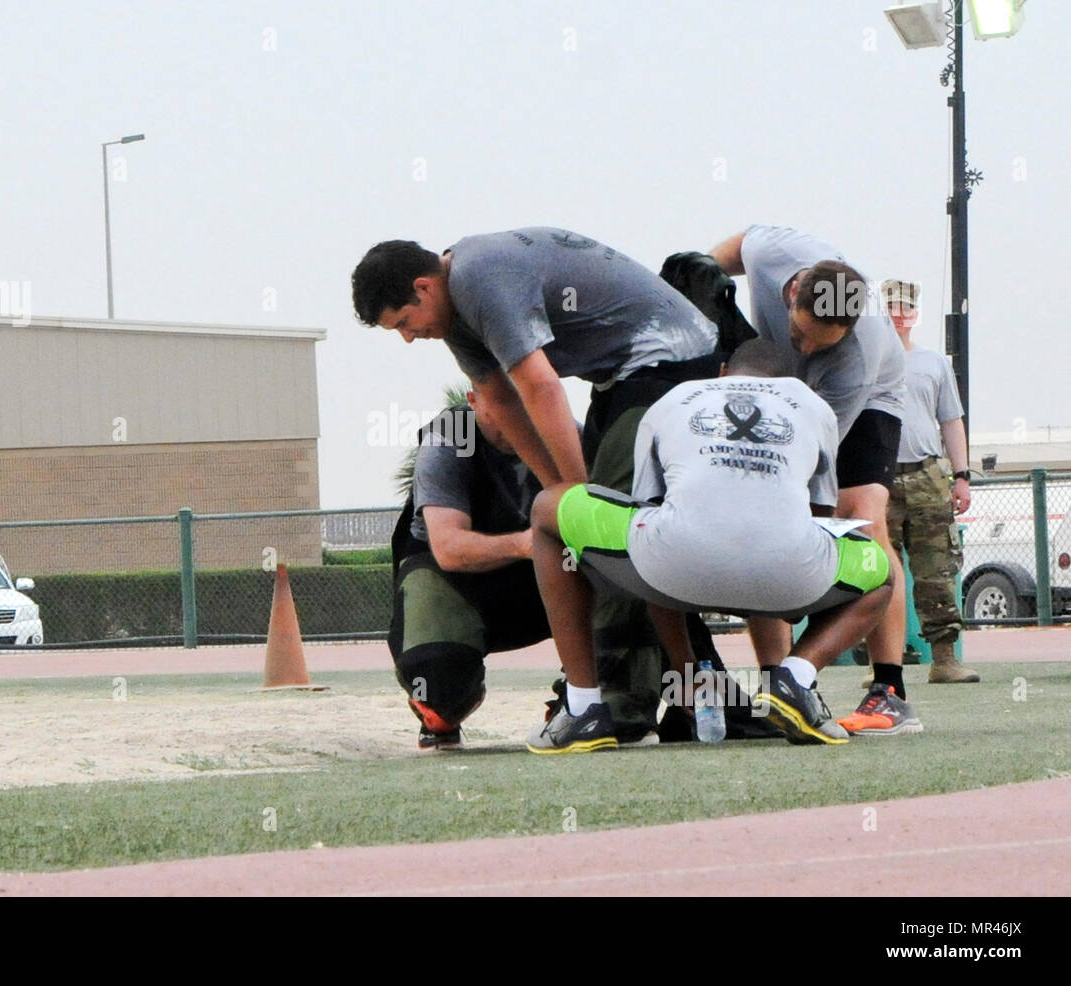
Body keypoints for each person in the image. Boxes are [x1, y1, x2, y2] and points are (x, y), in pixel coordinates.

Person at [355, 228, 742, 743]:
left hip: (671, 359)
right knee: (598, 523)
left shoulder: (477, 278)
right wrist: (561, 488)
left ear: (424, 287)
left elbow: (540, 385)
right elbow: (509, 404)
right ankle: (666, 694)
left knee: (613, 532)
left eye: (404, 322)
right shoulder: (458, 322)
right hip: (622, 376)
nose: (407, 337)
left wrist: (580, 499)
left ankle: (618, 708)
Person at [525, 340, 893, 752]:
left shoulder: (676, 397)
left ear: (721, 373)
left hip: (673, 569)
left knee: (547, 511)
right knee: (882, 574)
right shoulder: (810, 404)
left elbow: (656, 516)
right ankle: (796, 677)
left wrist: (684, 669)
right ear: (791, 382)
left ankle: (582, 709)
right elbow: (820, 517)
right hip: (787, 579)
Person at [709, 224, 920, 736]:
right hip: (776, 382)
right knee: (766, 519)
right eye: (799, 335)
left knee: (864, 517)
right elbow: (729, 250)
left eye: (818, 346)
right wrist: (701, 289)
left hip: (867, 401)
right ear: (791, 294)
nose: (805, 349)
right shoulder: (775, 252)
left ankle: (888, 691)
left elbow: (816, 460)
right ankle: (774, 689)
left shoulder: (855, 356)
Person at [388, 388, 557, 749]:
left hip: (544, 579)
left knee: (631, 579)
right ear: (474, 400)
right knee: (437, 680)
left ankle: (598, 701)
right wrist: (530, 544)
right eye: (502, 403)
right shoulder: (450, 438)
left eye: (526, 400)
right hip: (459, 580)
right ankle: (443, 705)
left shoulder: (565, 433)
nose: (516, 417)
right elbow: (449, 550)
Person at [880, 279, 978, 684]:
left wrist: (962, 476)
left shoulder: (934, 363)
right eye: (890, 305)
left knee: (936, 569)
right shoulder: (862, 360)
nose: (897, 313)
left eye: (904, 306)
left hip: (926, 475)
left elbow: (951, 421)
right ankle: (884, 663)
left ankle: (944, 658)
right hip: (877, 478)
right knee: (878, 573)